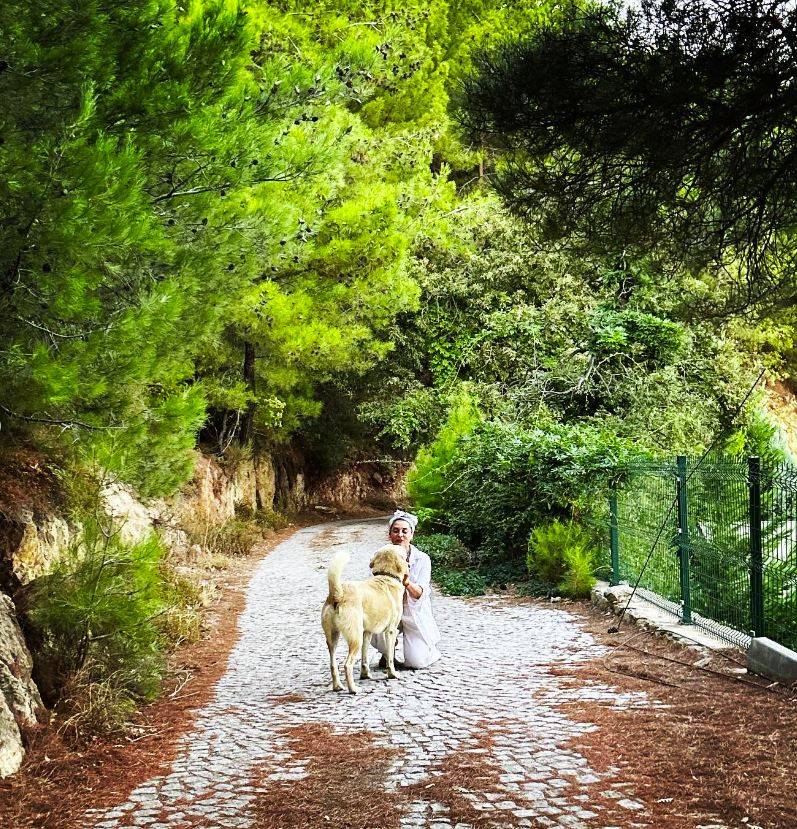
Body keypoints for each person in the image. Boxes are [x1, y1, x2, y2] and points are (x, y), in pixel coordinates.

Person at [372, 509, 442, 669]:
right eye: (395, 531)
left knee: (416, 662)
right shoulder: (381, 555)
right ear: (389, 535)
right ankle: (387, 653)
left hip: (412, 611)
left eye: (405, 531)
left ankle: (429, 650)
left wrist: (407, 583)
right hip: (389, 610)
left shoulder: (422, 559)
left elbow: (420, 594)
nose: (400, 535)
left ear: (412, 534)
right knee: (377, 632)